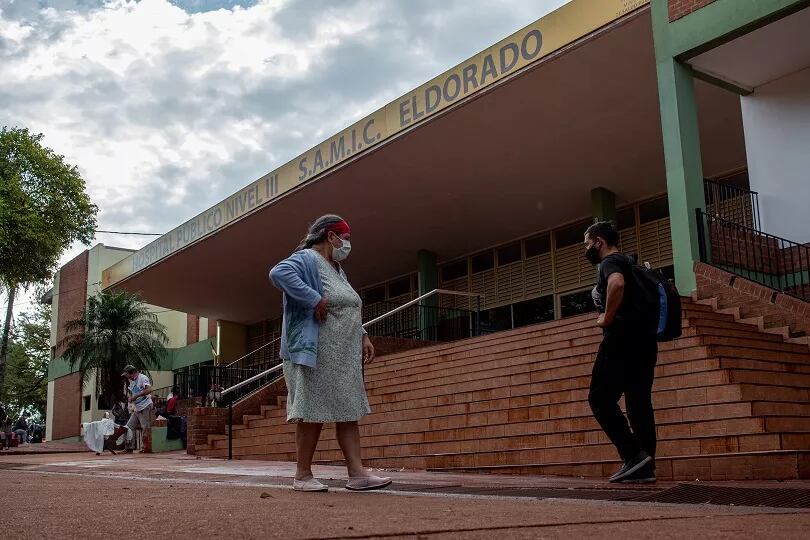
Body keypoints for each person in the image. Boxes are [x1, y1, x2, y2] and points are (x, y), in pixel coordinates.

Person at [269, 214, 390, 492]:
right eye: (344, 239)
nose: (347, 245)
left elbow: (347, 305)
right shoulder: (307, 259)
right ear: (330, 236)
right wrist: (313, 298)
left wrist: (363, 335)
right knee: (312, 411)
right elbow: (278, 273)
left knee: (349, 410)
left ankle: (357, 474)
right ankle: (302, 475)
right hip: (317, 352)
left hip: (343, 354)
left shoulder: (335, 268)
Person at [584, 221, 657, 484]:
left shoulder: (609, 263)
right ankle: (645, 465)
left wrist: (607, 317)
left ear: (599, 242)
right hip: (646, 343)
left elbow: (616, 284)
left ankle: (633, 455)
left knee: (600, 399)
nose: (587, 249)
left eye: (588, 244)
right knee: (639, 404)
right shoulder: (632, 263)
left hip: (621, 339)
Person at [122, 365, 154, 453]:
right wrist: (131, 398)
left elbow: (149, 390)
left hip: (145, 406)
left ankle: (145, 448)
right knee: (128, 427)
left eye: (127, 374)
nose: (126, 377)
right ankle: (129, 448)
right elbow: (134, 392)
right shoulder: (132, 381)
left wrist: (136, 396)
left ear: (131, 373)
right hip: (137, 408)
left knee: (145, 427)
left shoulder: (142, 378)